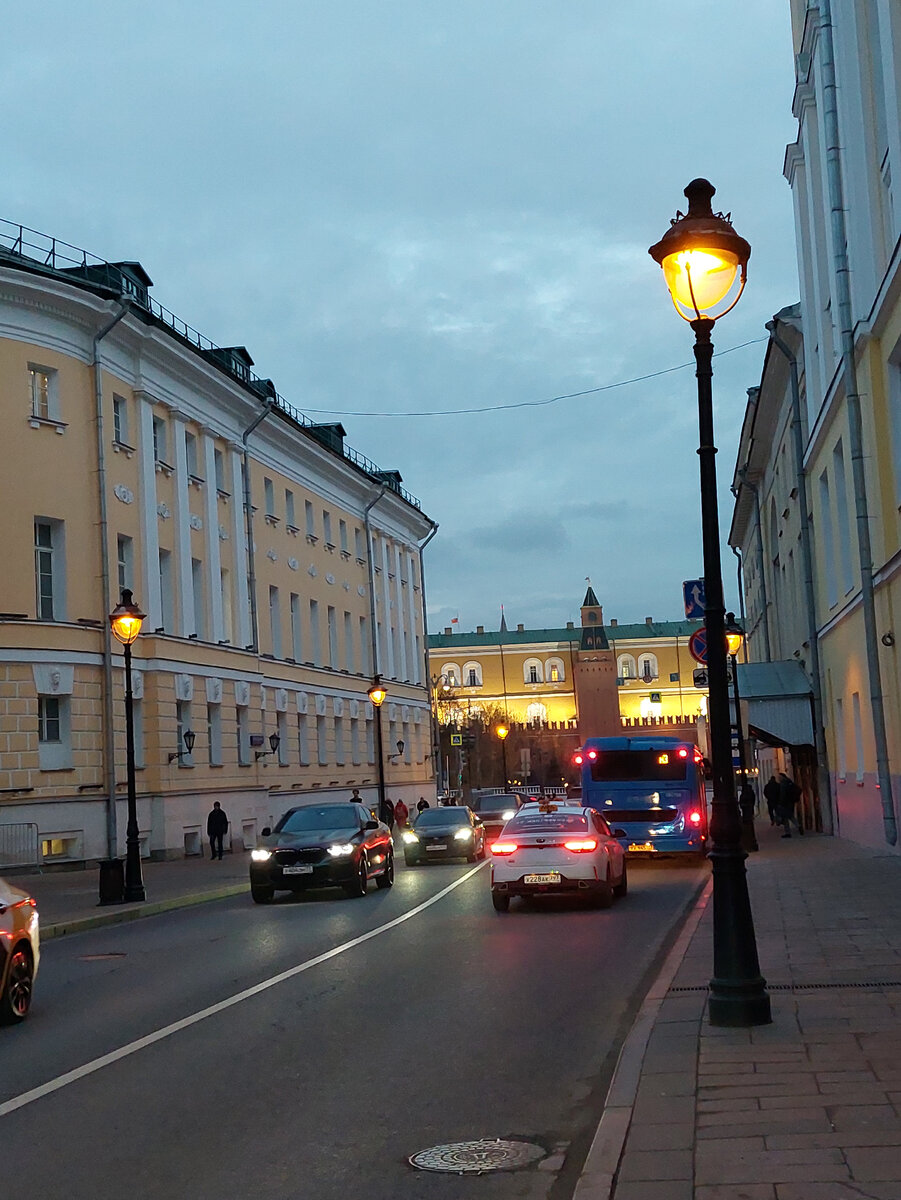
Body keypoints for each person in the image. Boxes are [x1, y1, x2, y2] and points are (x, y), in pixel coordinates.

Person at [777, 771, 804, 837]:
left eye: (779, 777)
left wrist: (781, 803)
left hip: (785, 803)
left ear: (782, 777)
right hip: (791, 803)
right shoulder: (790, 782)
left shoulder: (783, 784)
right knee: (790, 816)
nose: (778, 779)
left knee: (786, 818)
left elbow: (783, 795)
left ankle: (788, 833)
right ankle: (798, 826)